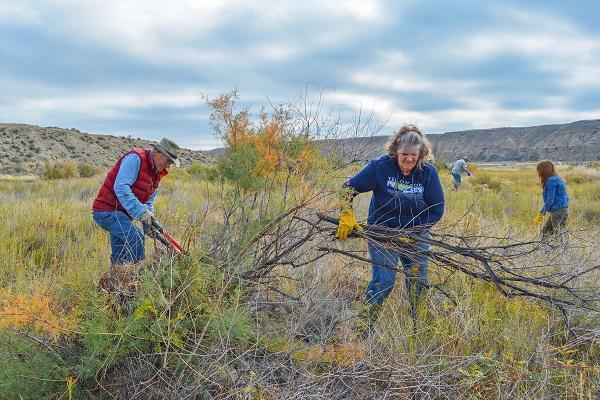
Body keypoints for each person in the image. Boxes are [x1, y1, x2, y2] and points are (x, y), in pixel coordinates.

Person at [336, 125, 445, 321]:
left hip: (415, 235)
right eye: (404, 154)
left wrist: (414, 231)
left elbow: (436, 209)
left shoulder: (428, 173)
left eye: (414, 155)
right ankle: (363, 326)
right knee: (384, 282)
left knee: (418, 282)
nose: (409, 160)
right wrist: (346, 214)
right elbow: (347, 189)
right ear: (395, 151)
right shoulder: (380, 167)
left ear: (421, 153)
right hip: (382, 233)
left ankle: (415, 324)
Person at [92, 138, 181, 267]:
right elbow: (121, 187)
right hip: (107, 211)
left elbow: (148, 201)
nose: (168, 165)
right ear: (157, 152)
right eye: (168, 160)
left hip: (122, 216)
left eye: (171, 163)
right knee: (136, 237)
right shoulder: (136, 159)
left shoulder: (157, 173)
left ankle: (115, 281)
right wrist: (141, 213)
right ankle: (134, 278)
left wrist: (149, 222)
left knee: (119, 257)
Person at [534, 160, 569, 239]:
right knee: (545, 232)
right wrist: (564, 208)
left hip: (557, 212)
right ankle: (545, 250)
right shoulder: (559, 179)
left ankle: (564, 250)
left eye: (539, 170)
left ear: (544, 170)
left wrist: (541, 213)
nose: (539, 173)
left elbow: (550, 200)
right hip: (562, 210)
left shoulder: (551, 181)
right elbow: (567, 197)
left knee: (559, 234)